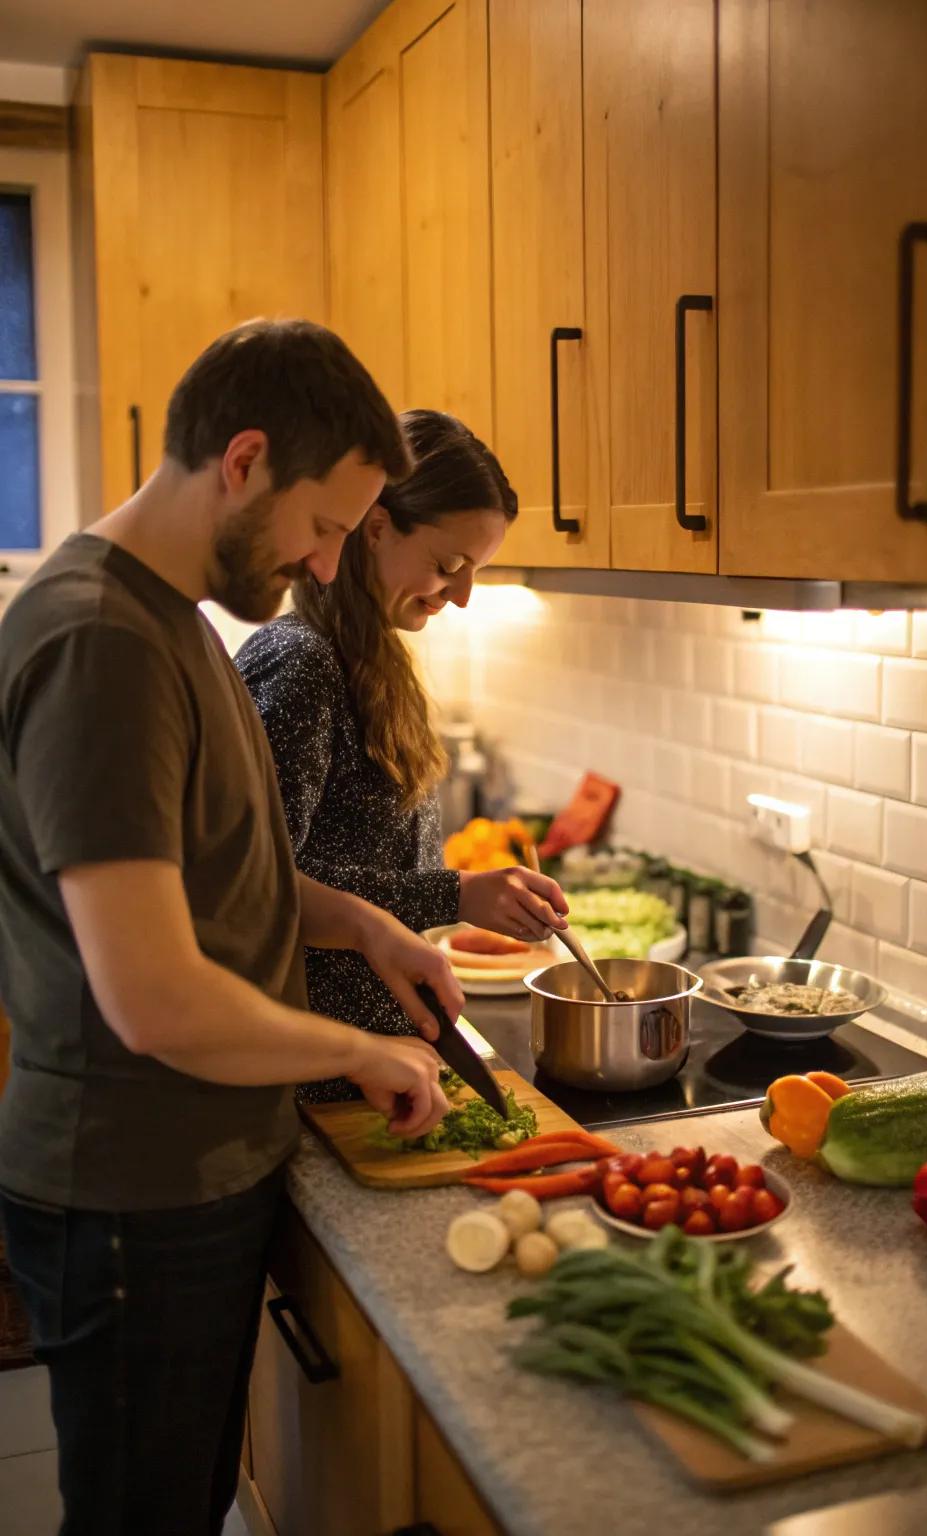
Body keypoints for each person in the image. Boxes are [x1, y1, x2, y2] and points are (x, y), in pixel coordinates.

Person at [0, 320, 464, 1536]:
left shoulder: (172, 621)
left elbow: (228, 874)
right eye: (323, 524)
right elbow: (152, 994)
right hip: (131, 1189)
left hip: (187, 1170)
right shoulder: (104, 643)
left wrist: (366, 926)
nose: (323, 564)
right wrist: (359, 1052)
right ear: (245, 460)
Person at [236, 409, 568, 1100]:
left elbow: (358, 857)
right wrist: (456, 892)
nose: (465, 595)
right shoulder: (301, 665)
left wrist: (465, 890)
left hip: (375, 1064)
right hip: (312, 1078)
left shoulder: (369, 657)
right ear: (377, 525)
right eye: (449, 565)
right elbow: (259, 886)